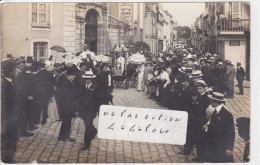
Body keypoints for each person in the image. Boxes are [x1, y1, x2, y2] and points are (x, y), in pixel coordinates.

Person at [203, 92, 235, 162]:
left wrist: (229, 148)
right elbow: (212, 125)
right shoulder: (215, 111)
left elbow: (231, 132)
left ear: (216, 102)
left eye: (211, 100)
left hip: (222, 146)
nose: (210, 101)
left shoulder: (227, 115)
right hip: (214, 144)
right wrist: (207, 127)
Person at [1, 61, 20, 163]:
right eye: (14, 69)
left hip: (13, 115)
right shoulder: (5, 85)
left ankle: (10, 156)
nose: (16, 71)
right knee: (8, 138)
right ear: (11, 72)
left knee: (13, 136)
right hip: (8, 117)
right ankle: (7, 159)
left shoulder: (11, 82)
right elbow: (5, 104)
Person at [58, 65, 79, 142]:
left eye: (74, 75)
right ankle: (65, 137)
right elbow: (66, 95)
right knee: (67, 121)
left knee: (66, 121)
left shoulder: (69, 82)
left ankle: (61, 136)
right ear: (68, 76)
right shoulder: (67, 83)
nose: (74, 77)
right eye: (72, 75)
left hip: (67, 105)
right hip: (67, 105)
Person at [79, 71, 98, 151]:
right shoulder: (81, 86)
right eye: (86, 79)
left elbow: (98, 100)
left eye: (89, 79)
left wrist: (97, 110)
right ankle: (94, 131)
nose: (88, 80)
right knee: (88, 124)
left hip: (91, 110)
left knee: (87, 125)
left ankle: (87, 144)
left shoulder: (96, 87)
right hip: (83, 110)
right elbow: (78, 99)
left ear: (92, 79)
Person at [177, 74, 196, 155]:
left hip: (188, 114)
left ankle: (188, 149)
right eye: (182, 82)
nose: (182, 83)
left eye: (184, 82)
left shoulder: (190, 91)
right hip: (183, 113)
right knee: (185, 131)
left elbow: (191, 105)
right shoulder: (184, 89)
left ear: (188, 82)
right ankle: (186, 146)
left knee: (188, 132)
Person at [193, 80, 210, 162]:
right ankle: (199, 156)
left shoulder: (206, 98)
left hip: (202, 121)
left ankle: (202, 158)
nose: (199, 90)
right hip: (196, 121)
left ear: (204, 88)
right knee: (197, 140)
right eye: (198, 88)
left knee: (202, 140)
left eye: (200, 88)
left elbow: (204, 110)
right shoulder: (198, 96)